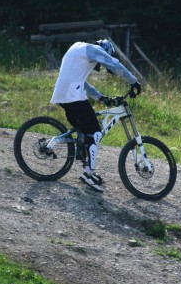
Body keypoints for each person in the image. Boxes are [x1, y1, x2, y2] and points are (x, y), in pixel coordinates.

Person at [50, 39, 141, 192]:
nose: (99, 67)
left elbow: (82, 81)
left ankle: (86, 166)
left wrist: (100, 97)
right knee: (96, 133)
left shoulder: (77, 48)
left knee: (86, 133)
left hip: (63, 94)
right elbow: (114, 64)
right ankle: (88, 175)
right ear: (104, 50)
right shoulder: (94, 50)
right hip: (73, 95)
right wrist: (133, 81)